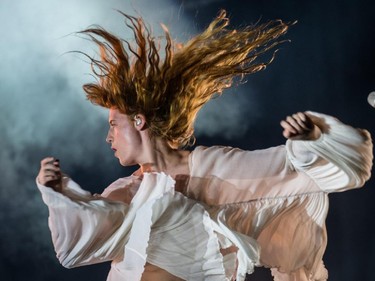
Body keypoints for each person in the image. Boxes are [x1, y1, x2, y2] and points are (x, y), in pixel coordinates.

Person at [36, 10, 373, 281]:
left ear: (139, 121)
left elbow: (299, 176)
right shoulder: (128, 190)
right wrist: (58, 194)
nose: (109, 137)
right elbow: (76, 249)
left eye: (113, 125)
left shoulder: (214, 169)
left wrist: (313, 143)